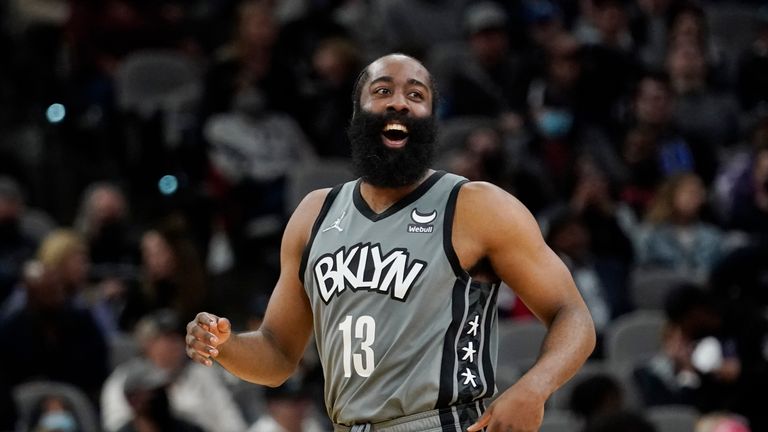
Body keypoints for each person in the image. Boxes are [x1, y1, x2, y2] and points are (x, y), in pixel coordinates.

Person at [185, 53, 595, 432]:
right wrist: (226, 346)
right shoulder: (314, 215)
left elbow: (572, 315)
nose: (399, 102)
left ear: (431, 117)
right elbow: (276, 355)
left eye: (416, 95)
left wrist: (534, 387)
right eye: (382, 91)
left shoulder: (477, 206)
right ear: (357, 112)